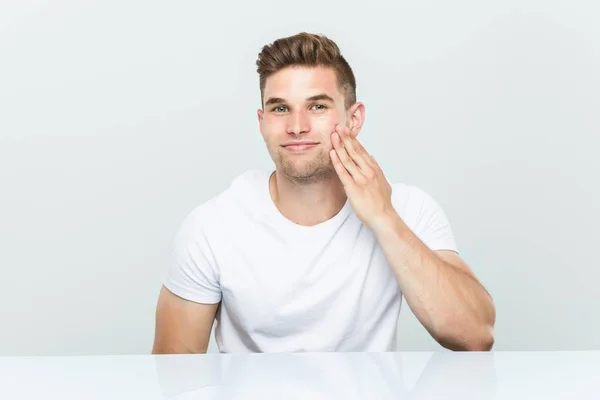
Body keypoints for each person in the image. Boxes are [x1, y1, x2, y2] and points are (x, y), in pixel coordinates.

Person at [152, 32, 496, 354]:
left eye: (317, 106)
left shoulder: (407, 208)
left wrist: (384, 219)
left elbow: (476, 334)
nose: (297, 126)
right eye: (280, 108)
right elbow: (172, 376)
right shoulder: (212, 227)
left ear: (354, 119)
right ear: (261, 121)